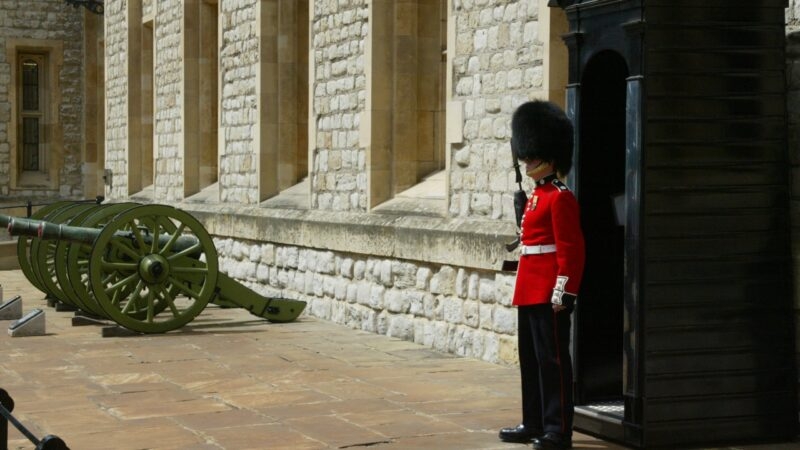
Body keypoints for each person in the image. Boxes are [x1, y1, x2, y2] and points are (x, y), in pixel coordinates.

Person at [499, 100, 585, 450]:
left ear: (549, 155)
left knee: (553, 361)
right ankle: (533, 421)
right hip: (528, 286)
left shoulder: (560, 197)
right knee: (531, 360)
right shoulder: (536, 197)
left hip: (548, 288)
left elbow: (571, 248)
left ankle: (557, 429)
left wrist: (564, 290)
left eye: (532, 155)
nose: (526, 159)